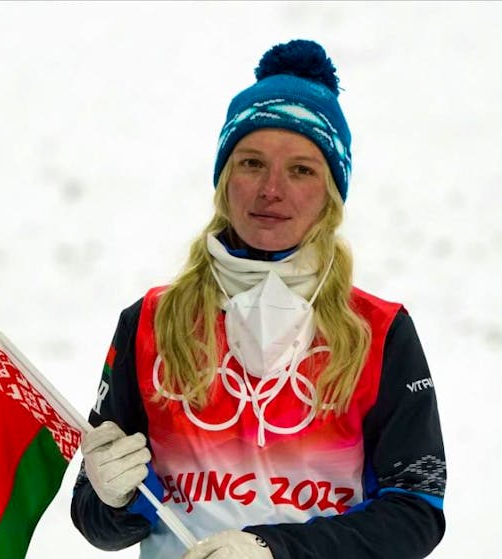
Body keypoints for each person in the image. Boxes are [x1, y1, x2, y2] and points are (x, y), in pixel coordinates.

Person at [71, 39, 447, 559]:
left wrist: (276, 552)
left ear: (332, 195)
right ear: (224, 181)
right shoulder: (150, 323)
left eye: (301, 170)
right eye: (251, 163)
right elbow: (96, 522)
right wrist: (112, 499)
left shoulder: (380, 331)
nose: (272, 189)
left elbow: (417, 511)